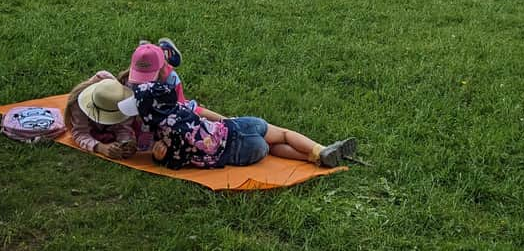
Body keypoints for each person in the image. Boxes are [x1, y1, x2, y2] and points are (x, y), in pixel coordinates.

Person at [119, 82, 356, 169]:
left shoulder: (166, 137)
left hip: (244, 155)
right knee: (282, 134)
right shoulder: (182, 109)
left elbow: (176, 163)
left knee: (270, 148)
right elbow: (203, 115)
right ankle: (319, 150)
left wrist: (160, 159)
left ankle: (313, 160)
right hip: (237, 129)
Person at [65, 72, 137, 159]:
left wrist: (125, 143)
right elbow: (80, 132)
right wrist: (100, 147)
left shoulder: (120, 99)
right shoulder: (78, 103)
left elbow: (123, 127)